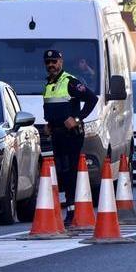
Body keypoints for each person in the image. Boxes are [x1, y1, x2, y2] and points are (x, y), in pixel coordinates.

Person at [42, 48, 98, 223]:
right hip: (57, 134)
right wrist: (50, 124)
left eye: (54, 62)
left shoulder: (70, 82)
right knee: (61, 172)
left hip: (71, 134)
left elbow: (91, 99)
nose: (51, 65)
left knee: (70, 172)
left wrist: (77, 118)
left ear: (61, 62)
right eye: (48, 62)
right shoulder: (49, 84)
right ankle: (66, 209)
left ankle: (72, 211)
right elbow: (54, 109)